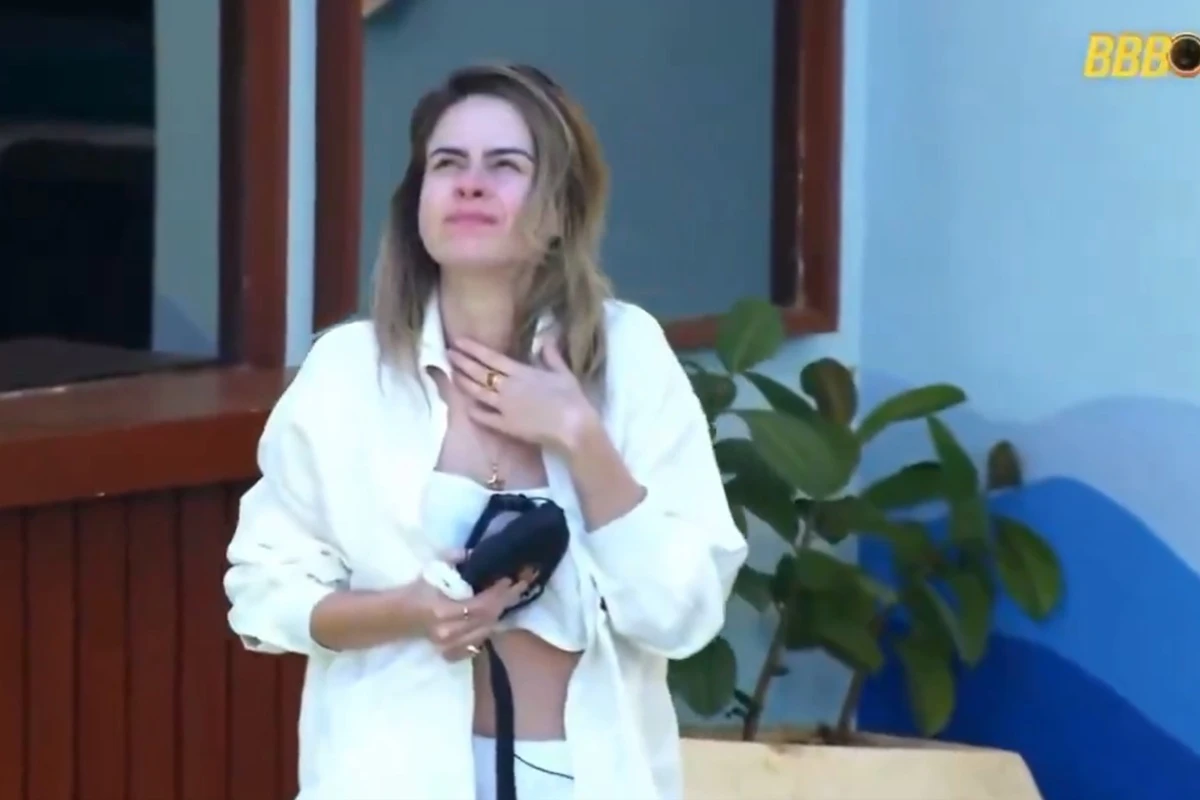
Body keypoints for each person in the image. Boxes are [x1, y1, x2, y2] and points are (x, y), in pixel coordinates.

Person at [223, 62, 747, 800]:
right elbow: (263, 592)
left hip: (585, 778)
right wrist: (404, 612)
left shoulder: (629, 358)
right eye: (447, 164)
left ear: (560, 210)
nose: (470, 184)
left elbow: (682, 616)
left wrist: (579, 436)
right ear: (417, 204)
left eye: (505, 165)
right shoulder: (347, 373)